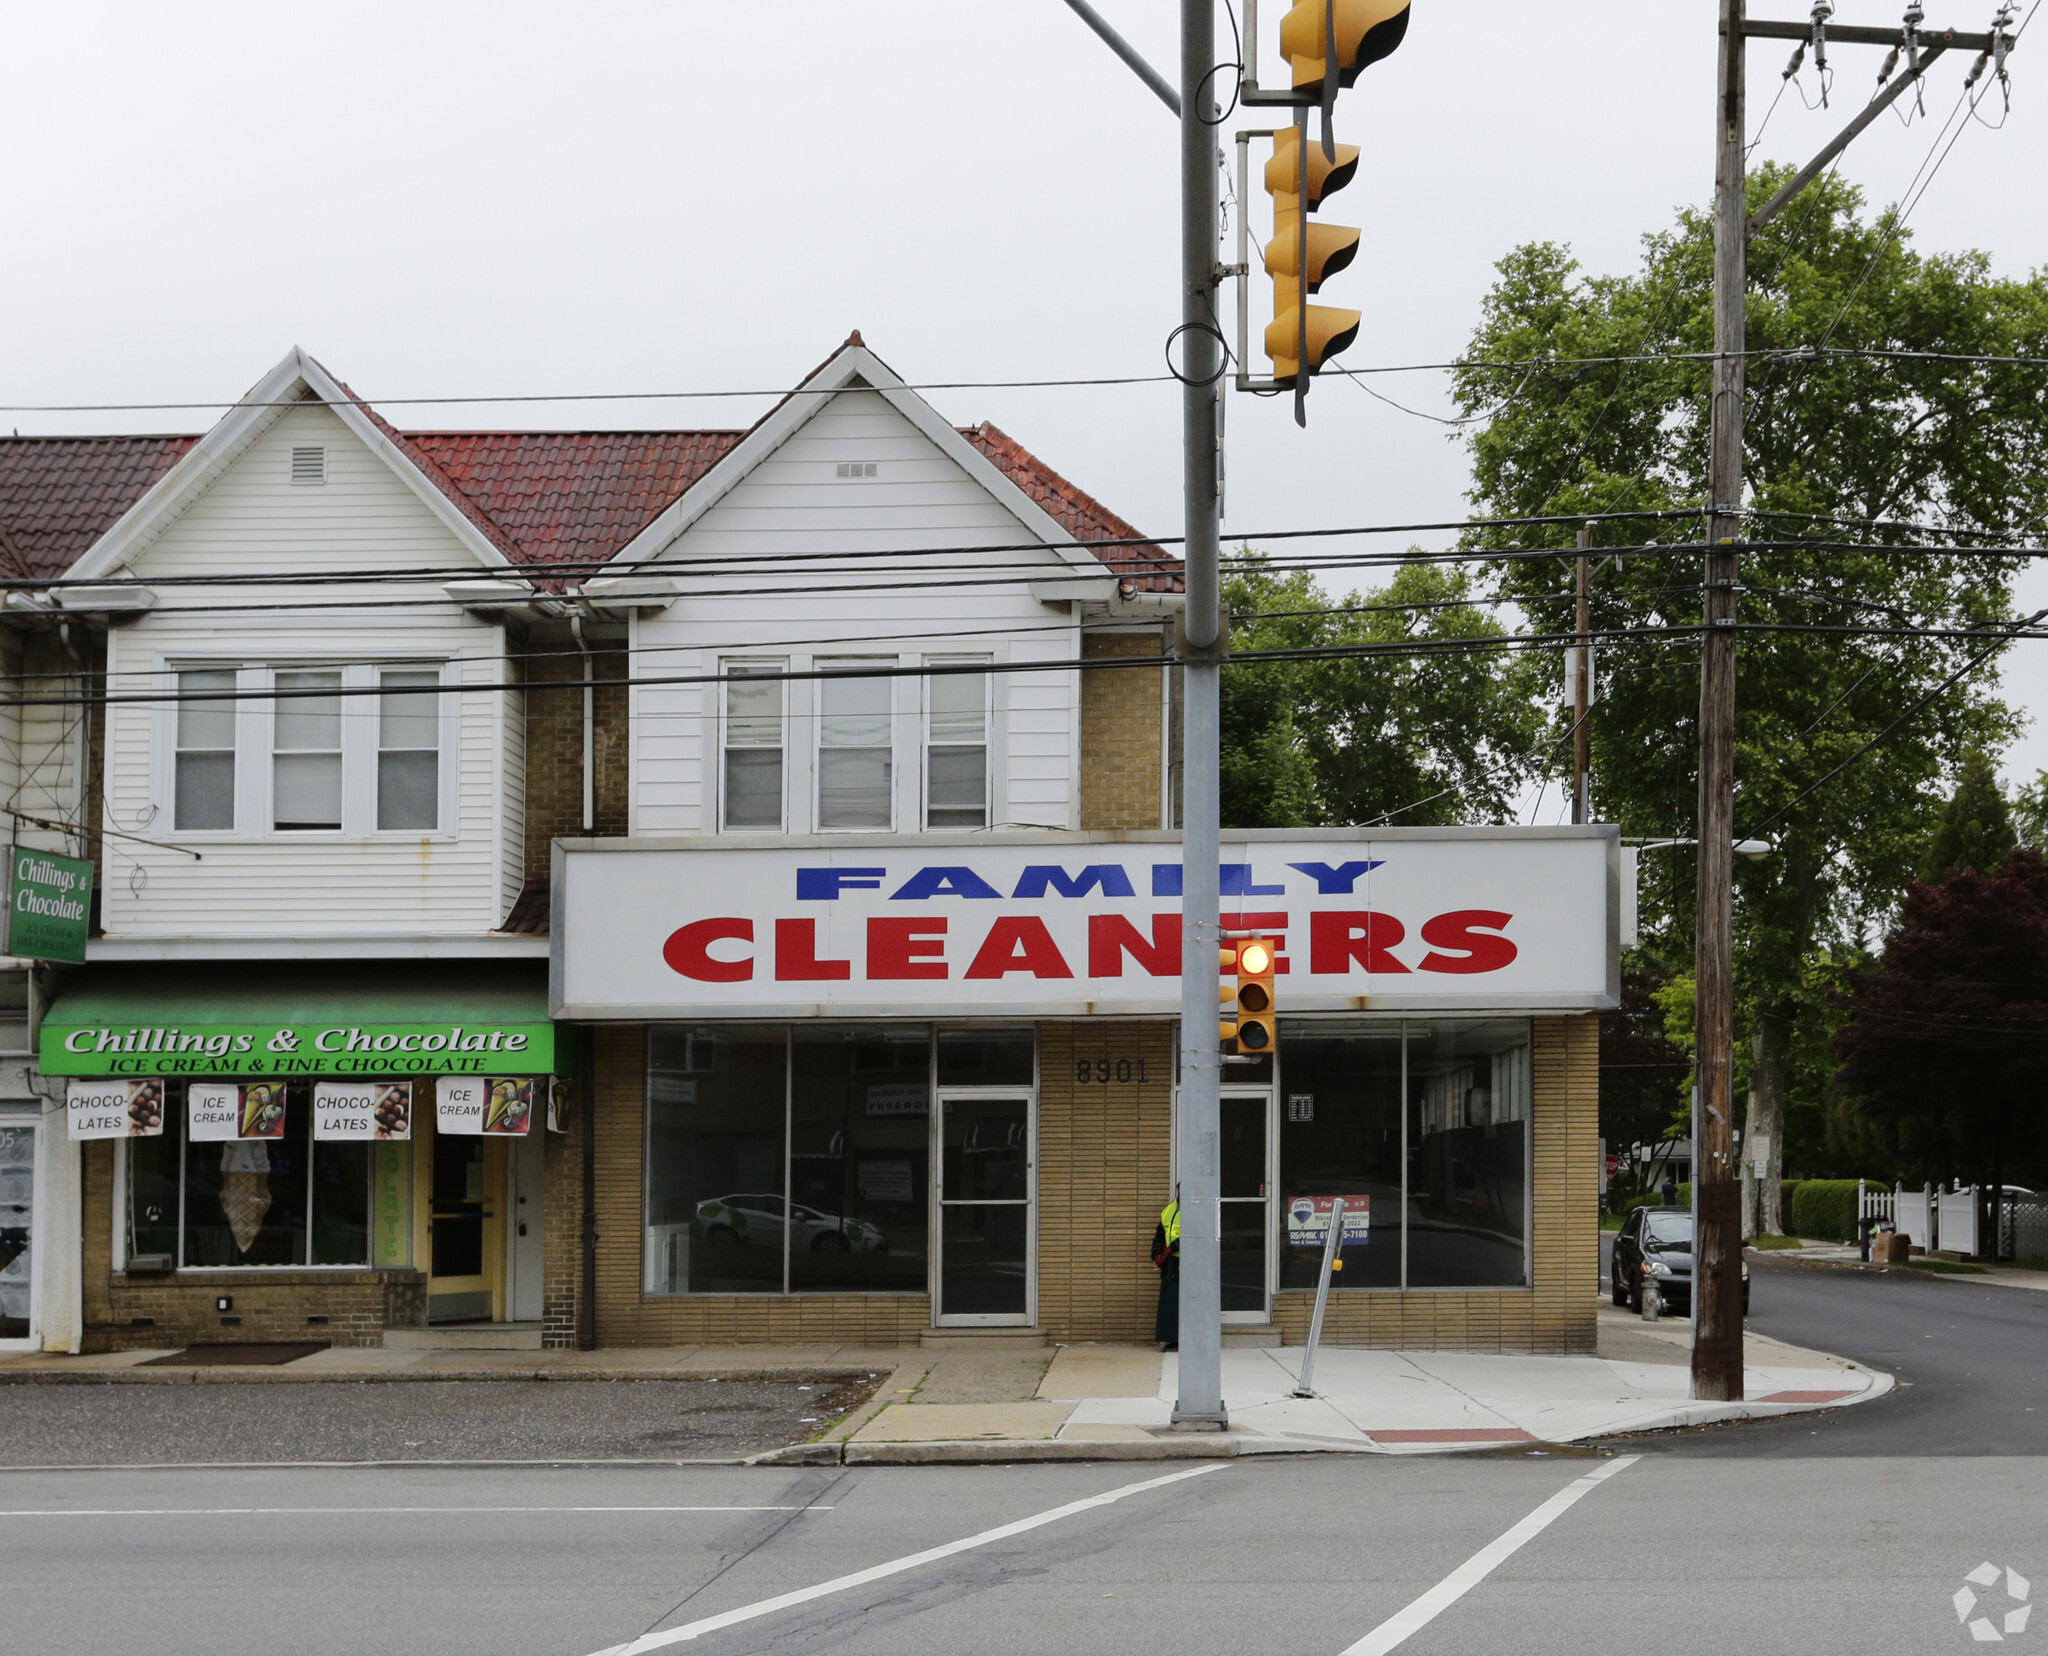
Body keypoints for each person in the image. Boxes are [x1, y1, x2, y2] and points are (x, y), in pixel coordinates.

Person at [1151, 1189, 1180, 1351]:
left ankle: (1183, 1339)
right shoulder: (1168, 1210)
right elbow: (1159, 1235)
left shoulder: (1197, 1210)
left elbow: (1197, 1234)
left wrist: (1173, 1248)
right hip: (1170, 1266)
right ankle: (1170, 1339)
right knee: (1169, 1303)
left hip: (1188, 1265)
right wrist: (1157, 1253)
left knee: (1185, 1304)